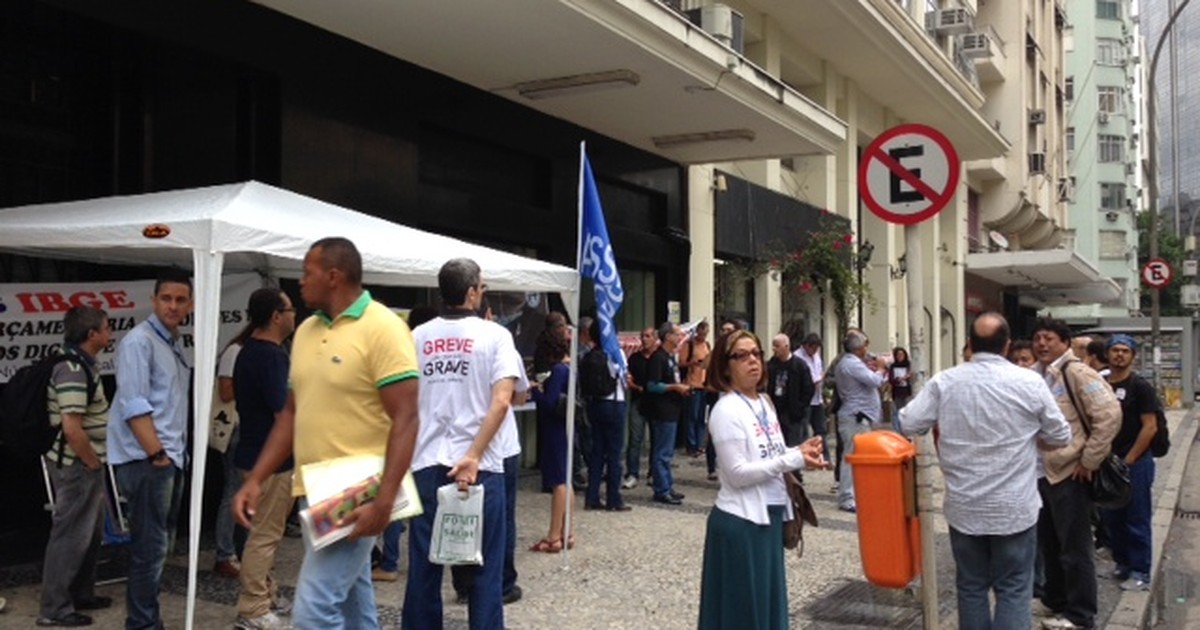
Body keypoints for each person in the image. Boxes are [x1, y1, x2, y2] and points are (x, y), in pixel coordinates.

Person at [234, 237, 420, 628]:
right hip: (313, 487)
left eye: (307, 272)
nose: (300, 282)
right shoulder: (304, 332)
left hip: (358, 490)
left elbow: (406, 418)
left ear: (334, 276)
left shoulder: (384, 328)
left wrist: (385, 501)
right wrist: (258, 477)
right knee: (354, 603)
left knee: (313, 610)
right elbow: (290, 413)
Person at [898, 312, 1071, 630]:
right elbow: (1061, 436)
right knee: (1014, 588)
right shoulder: (1029, 381)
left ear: (971, 344)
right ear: (1006, 345)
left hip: (965, 507)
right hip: (1014, 507)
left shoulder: (946, 381)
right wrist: (1034, 439)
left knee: (972, 586)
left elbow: (908, 422)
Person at [403, 258, 520, 630]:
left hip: (427, 461)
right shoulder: (495, 335)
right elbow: (502, 401)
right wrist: (472, 455)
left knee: (424, 564)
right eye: (482, 287)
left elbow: (404, 399)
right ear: (472, 293)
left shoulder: (417, 336)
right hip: (481, 466)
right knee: (484, 566)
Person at [697, 329, 825, 630]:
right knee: (743, 613)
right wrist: (792, 459)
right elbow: (738, 473)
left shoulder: (764, 402)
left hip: (770, 516)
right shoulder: (725, 409)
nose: (752, 360)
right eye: (741, 355)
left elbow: (772, 454)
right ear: (725, 366)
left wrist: (801, 452)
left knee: (767, 608)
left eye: (756, 352)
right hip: (742, 522)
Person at [107, 269, 193, 630]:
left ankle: (148, 619)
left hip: (167, 457)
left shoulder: (171, 342)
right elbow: (133, 405)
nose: (173, 306)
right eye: (166, 299)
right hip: (148, 461)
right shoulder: (139, 342)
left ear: (190, 304)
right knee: (149, 550)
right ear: (154, 300)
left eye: (180, 299)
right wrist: (157, 455)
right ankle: (142, 625)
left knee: (158, 549)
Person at [1032, 318, 1120, 630]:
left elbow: (1109, 416)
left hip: (1071, 473)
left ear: (1065, 342)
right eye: (1038, 338)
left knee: (1075, 547)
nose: (1042, 344)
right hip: (1042, 473)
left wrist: (1090, 460)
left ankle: (1081, 615)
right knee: (1050, 543)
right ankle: (1056, 600)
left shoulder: (1077, 372)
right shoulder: (1036, 374)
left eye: (1050, 338)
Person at [37, 306, 113, 628]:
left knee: (90, 533)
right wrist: (92, 462)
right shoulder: (71, 369)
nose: (110, 333)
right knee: (70, 535)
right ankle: (54, 608)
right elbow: (72, 427)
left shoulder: (81, 364)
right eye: (107, 328)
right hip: (77, 464)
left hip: (83, 463)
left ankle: (81, 593)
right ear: (91, 334)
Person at [231, 288, 297, 630]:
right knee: (265, 535)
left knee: (264, 533)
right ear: (275, 316)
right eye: (290, 310)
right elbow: (282, 414)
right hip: (269, 461)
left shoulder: (249, 351)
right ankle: (254, 608)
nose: (294, 315)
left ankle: (266, 594)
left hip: (254, 455)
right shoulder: (270, 356)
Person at [373, 305, 439, 584]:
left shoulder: (405, 350)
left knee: (396, 501)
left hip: (405, 435)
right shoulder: (432, 349)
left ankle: (389, 562)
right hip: (428, 437)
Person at [1101, 334, 1159, 592]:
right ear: (1107, 354)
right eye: (1115, 350)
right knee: (1112, 516)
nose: (1120, 355)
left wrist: (1130, 458)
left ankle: (1140, 571)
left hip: (1135, 461)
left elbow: (1150, 427)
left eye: (1125, 351)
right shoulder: (1100, 383)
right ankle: (1122, 562)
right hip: (1107, 461)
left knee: (1136, 517)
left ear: (1132, 356)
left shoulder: (1141, 387)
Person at [529, 330, 575, 552]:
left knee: (558, 482)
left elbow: (549, 403)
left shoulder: (557, 371)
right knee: (566, 479)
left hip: (555, 429)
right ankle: (568, 532)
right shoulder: (570, 368)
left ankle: (554, 535)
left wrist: (536, 391)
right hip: (567, 427)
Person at [832, 329, 887, 513]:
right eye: (865, 345)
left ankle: (856, 494)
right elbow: (874, 381)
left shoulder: (853, 363)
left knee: (858, 456)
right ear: (859, 347)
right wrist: (880, 368)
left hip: (859, 415)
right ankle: (847, 497)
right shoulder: (851, 364)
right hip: (856, 416)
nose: (867, 349)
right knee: (851, 456)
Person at [583, 318, 631, 512]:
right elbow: (624, 379)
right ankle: (614, 498)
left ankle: (592, 495)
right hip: (614, 403)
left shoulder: (589, 355)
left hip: (595, 403)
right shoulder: (615, 354)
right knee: (614, 453)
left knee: (597, 452)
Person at [643, 322, 690, 505]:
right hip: (662, 410)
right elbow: (652, 385)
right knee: (662, 452)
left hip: (673, 408)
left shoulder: (671, 357)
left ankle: (667, 485)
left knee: (668, 451)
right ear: (668, 336)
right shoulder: (658, 358)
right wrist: (674, 387)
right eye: (677, 334)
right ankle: (661, 489)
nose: (680, 337)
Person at [213, 337, 245, 580]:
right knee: (233, 490)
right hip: (234, 429)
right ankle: (225, 553)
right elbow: (225, 392)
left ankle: (240, 550)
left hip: (250, 429)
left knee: (245, 491)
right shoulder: (234, 351)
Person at [623, 327, 658, 489]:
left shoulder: (659, 358)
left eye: (648, 336)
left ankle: (653, 473)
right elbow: (628, 378)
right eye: (642, 336)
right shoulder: (635, 358)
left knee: (656, 441)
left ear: (655, 338)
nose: (644, 339)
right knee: (635, 439)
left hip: (656, 404)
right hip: (638, 402)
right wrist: (635, 386)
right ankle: (632, 473)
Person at [766, 333, 814, 447]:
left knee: (793, 444)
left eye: (777, 346)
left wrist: (799, 407)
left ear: (786, 346)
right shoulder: (771, 365)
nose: (774, 349)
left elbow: (808, 388)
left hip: (793, 414)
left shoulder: (799, 365)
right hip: (776, 411)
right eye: (773, 346)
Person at [794, 333, 829, 462]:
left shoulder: (816, 356)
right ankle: (806, 458)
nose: (814, 351)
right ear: (807, 346)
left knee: (821, 429)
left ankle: (824, 456)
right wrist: (817, 380)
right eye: (813, 348)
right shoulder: (798, 357)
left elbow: (819, 371)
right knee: (804, 431)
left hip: (817, 398)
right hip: (806, 399)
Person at [679, 321, 712, 457]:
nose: (703, 336)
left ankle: (699, 444)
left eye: (706, 333)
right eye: (702, 333)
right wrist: (691, 363)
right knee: (692, 416)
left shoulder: (707, 345)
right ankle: (691, 445)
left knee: (701, 417)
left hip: (704, 384)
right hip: (692, 383)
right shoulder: (690, 345)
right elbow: (681, 363)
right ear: (697, 331)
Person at [887, 347, 913, 424]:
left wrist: (909, 377)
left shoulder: (908, 365)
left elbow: (912, 376)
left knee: (907, 411)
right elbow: (891, 379)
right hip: (897, 392)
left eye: (901, 354)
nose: (899, 356)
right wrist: (900, 379)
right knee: (897, 411)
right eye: (898, 354)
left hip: (907, 391)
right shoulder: (893, 366)